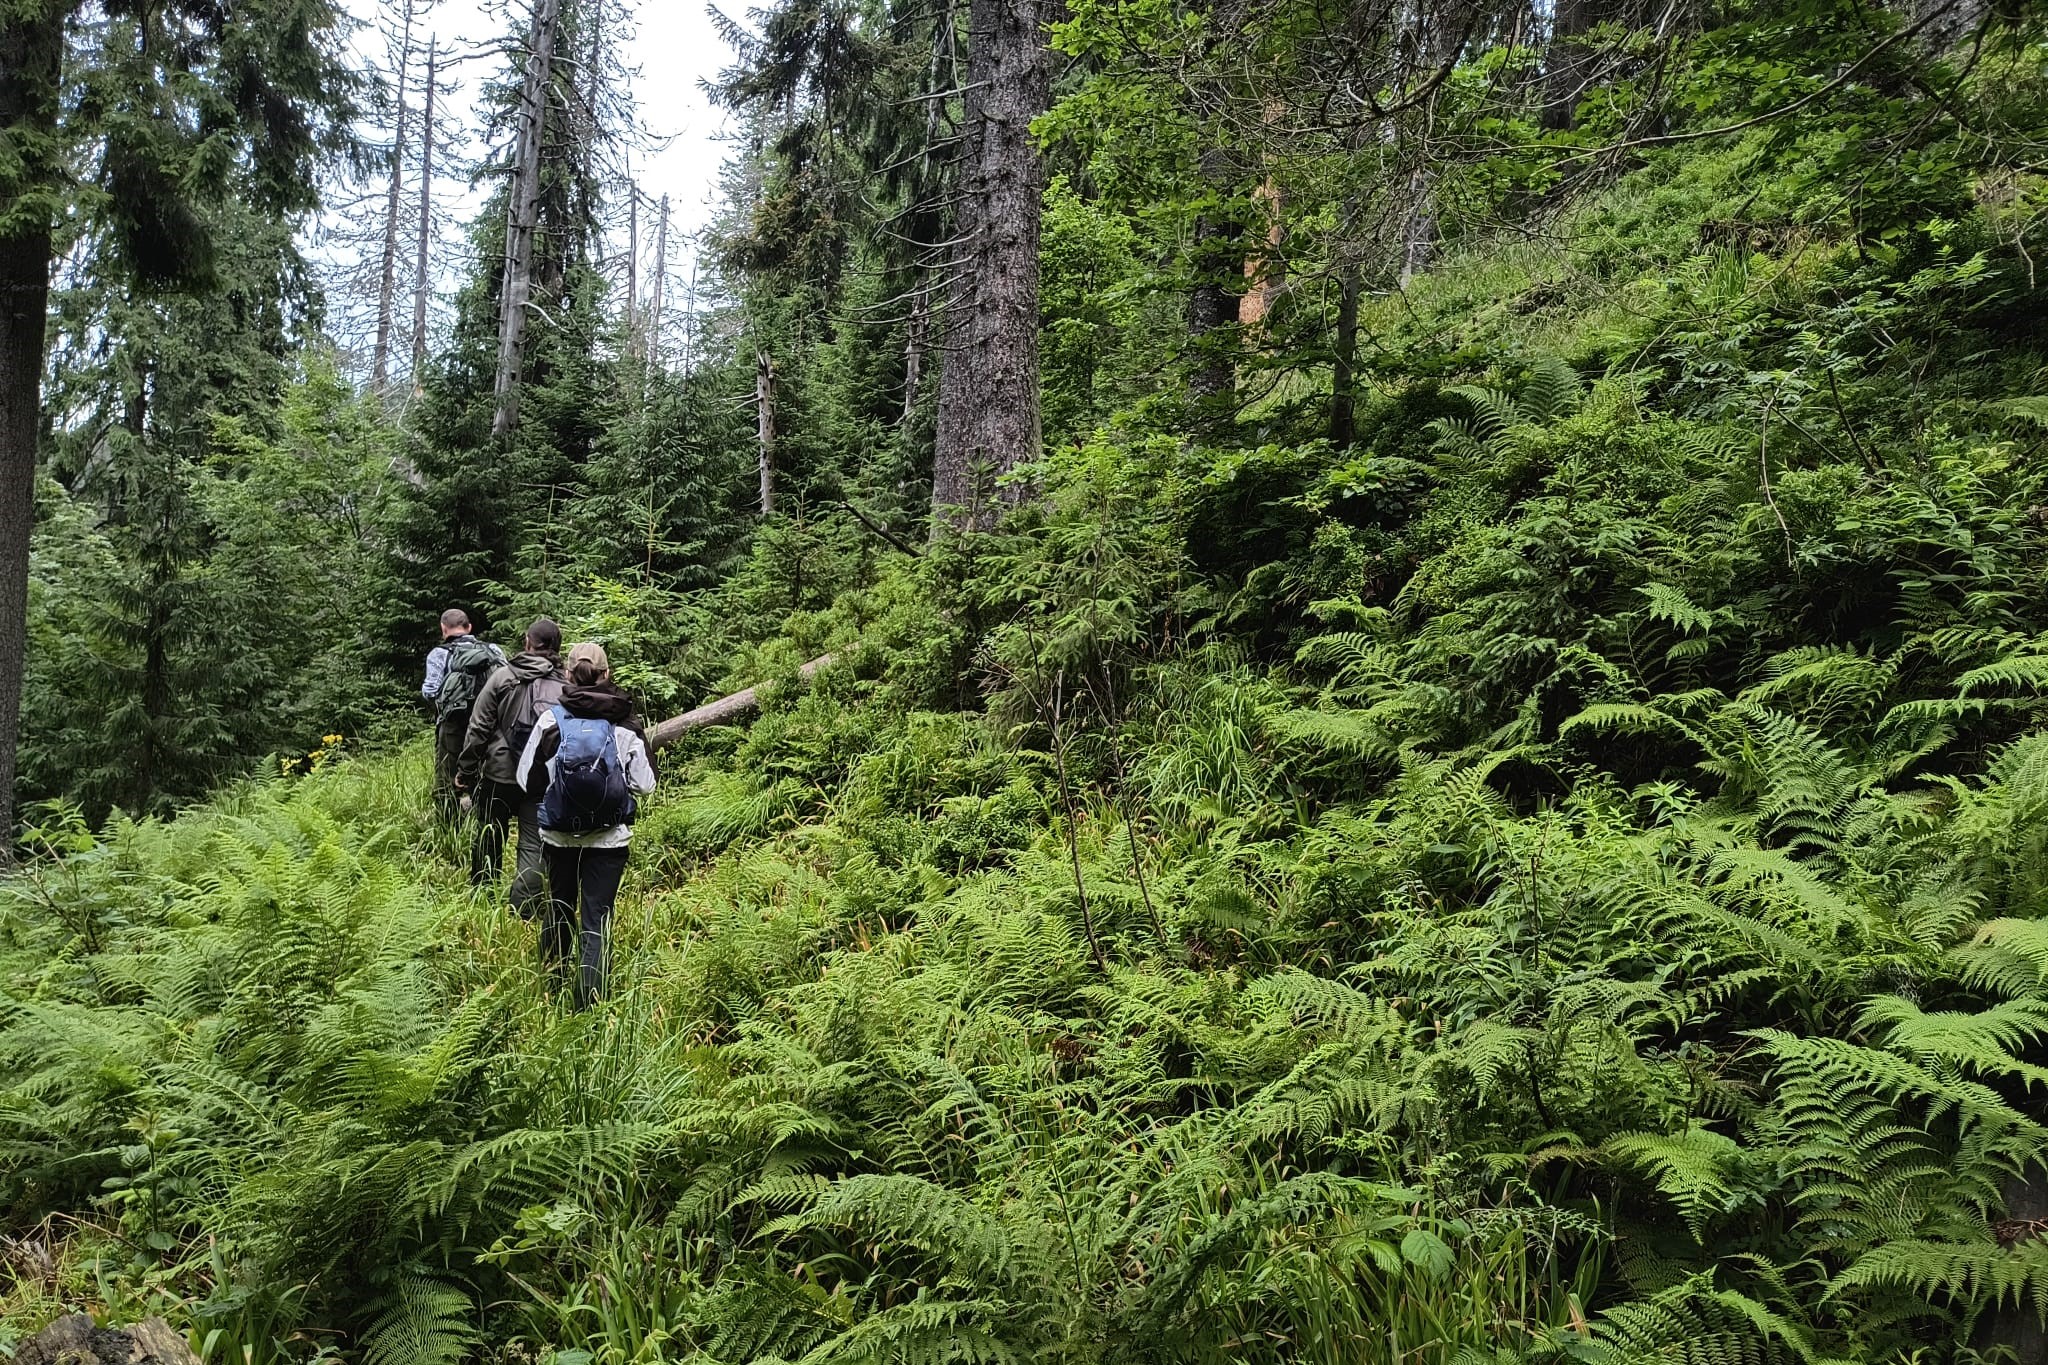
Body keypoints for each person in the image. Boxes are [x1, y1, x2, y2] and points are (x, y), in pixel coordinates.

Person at [516, 642, 655, 1007]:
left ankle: (551, 991)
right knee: (596, 920)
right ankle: (589, 1005)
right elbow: (646, 785)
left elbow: (524, 780)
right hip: (608, 842)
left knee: (559, 908)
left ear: (567, 674)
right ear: (607, 674)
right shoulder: (624, 723)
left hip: (558, 837)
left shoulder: (551, 720)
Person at [458, 618, 565, 917]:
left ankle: (482, 897)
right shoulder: (565, 684)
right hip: (539, 776)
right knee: (533, 843)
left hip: (499, 773)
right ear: (558, 647)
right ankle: (524, 912)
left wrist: (465, 771)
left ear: (527, 642)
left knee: (490, 833)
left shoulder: (503, 677)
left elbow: (477, 729)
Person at [420, 609, 503, 825]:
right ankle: (484, 824)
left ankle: (450, 832)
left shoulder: (439, 654)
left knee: (446, 782)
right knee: (484, 774)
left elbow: (430, 691)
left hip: (452, 727)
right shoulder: (492, 650)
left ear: (443, 628)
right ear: (469, 628)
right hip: (488, 724)